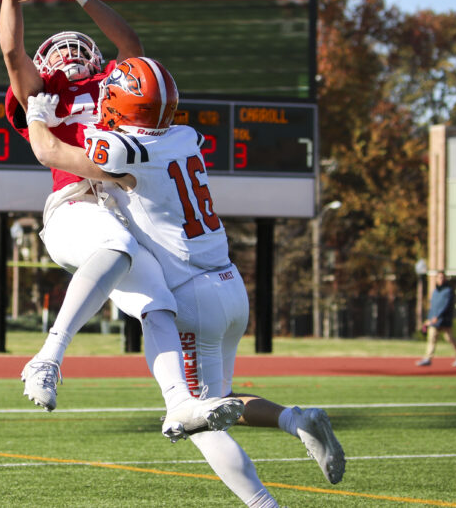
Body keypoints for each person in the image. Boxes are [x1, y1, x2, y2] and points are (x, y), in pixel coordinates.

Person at [23, 57, 345, 504]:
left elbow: (51, 153)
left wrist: (36, 116)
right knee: (222, 400)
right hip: (229, 286)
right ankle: (296, 419)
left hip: (193, 296)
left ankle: (263, 504)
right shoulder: (185, 137)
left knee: (196, 421)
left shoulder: (125, 151)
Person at [0, 0, 242, 439]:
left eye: (76, 45)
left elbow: (132, 48)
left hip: (123, 209)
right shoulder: (45, 93)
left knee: (160, 305)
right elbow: (10, 50)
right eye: (58, 49)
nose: (68, 53)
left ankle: (180, 403)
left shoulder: (110, 83)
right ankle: (48, 356)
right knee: (117, 244)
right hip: (75, 206)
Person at [417, 272, 456, 367]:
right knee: (431, 338)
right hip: (434, 321)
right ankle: (428, 358)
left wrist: (438, 317)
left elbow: (445, 306)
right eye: (439, 277)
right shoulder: (435, 291)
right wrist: (429, 319)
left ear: (445, 279)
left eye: (443, 277)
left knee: (449, 338)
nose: (441, 279)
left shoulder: (448, 291)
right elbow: (433, 306)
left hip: (444, 320)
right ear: (436, 279)